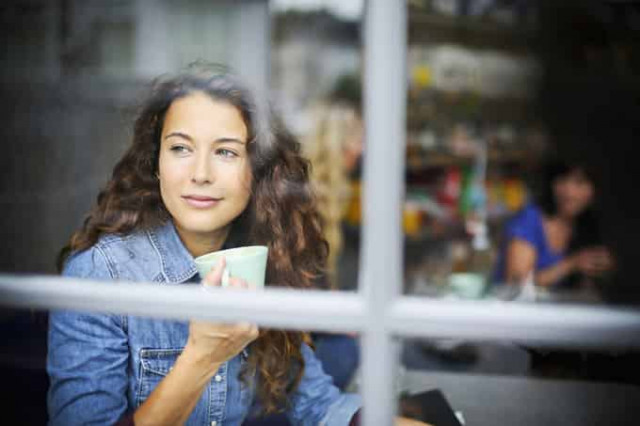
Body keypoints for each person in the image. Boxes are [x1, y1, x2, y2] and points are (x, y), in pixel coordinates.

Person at [47, 66, 428, 426]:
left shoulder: (265, 260)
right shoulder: (99, 275)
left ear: (258, 170)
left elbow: (320, 408)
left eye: (226, 152)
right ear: (156, 162)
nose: (200, 174)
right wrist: (201, 357)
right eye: (180, 148)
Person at [495, 159, 615, 288]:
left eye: (580, 183)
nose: (569, 192)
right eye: (562, 181)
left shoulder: (587, 225)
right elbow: (516, 283)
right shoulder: (529, 219)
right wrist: (572, 264)